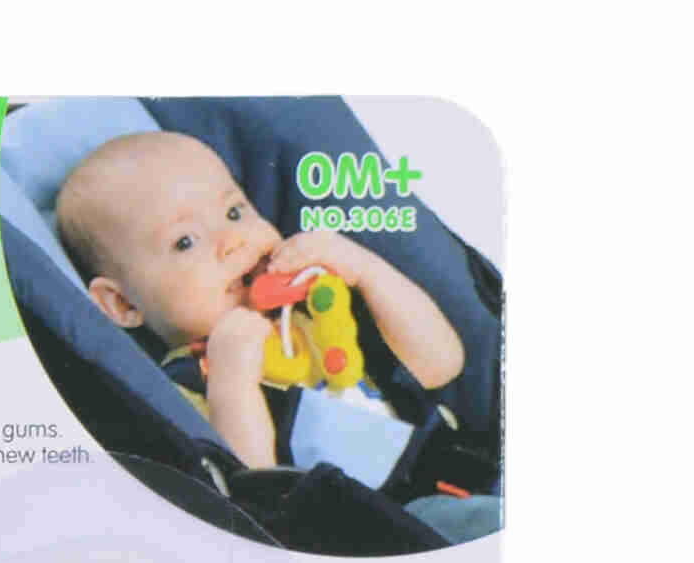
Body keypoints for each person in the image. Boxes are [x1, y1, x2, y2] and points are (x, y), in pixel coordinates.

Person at [54, 130, 495, 540]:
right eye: (185, 242)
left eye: (234, 212)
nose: (234, 240)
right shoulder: (189, 383)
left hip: (459, 470)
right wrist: (231, 382)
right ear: (124, 304)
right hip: (382, 528)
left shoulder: (317, 307)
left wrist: (363, 269)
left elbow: (441, 364)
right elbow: (252, 496)